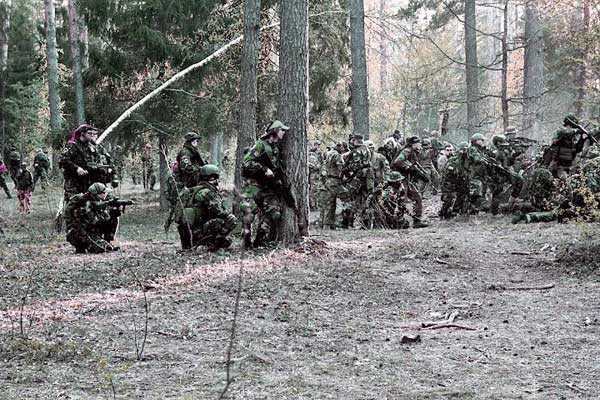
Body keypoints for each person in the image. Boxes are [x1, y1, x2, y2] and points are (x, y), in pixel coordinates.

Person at [242, 120, 292, 247]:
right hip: (253, 185)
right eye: (282, 130)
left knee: (274, 212)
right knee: (249, 213)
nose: (284, 133)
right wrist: (264, 169)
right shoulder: (260, 145)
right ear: (274, 131)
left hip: (268, 187)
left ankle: (259, 241)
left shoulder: (275, 148)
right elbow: (246, 163)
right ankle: (246, 240)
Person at [175, 165, 237, 251]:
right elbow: (219, 212)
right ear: (213, 178)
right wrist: (228, 211)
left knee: (227, 241)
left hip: (188, 234)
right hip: (199, 232)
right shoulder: (207, 193)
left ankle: (193, 245)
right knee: (231, 219)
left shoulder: (193, 190)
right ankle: (211, 245)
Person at [59, 124, 118, 205]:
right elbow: (63, 159)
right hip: (74, 181)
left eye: (93, 134)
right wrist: (77, 168)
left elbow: (102, 160)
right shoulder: (72, 145)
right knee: (73, 204)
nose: (92, 135)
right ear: (82, 133)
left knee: (89, 205)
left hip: (88, 181)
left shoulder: (92, 146)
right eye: (89, 133)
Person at [64, 183, 127, 253]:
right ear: (96, 194)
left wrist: (115, 210)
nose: (105, 194)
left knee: (113, 217)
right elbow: (93, 221)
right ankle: (82, 246)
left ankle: (109, 240)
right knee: (102, 249)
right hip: (82, 233)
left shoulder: (97, 202)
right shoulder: (82, 203)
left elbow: (104, 219)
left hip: (93, 230)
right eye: (103, 193)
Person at [392, 136, 429, 228]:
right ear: (413, 144)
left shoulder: (414, 152)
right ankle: (398, 221)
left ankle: (417, 220)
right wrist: (409, 168)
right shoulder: (407, 151)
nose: (420, 145)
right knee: (401, 199)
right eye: (418, 143)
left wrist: (420, 174)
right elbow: (398, 162)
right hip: (400, 179)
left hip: (406, 179)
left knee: (417, 197)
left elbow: (415, 166)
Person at [340, 134, 373, 228]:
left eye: (353, 140)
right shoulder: (367, 149)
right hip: (366, 178)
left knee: (348, 197)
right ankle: (365, 223)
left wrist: (346, 169)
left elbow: (356, 165)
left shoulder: (357, 151)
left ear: (356, 140)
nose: (351, 142)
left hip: (358, 178)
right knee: (364, 199)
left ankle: (346, 222)